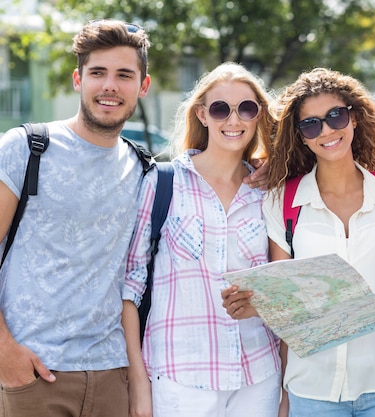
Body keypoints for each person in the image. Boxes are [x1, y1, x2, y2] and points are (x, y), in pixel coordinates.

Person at [222, 67, 375, 417]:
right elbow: (285, 299)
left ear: (355, 118)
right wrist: (255, 305)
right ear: (301, 136)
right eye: (311, 124)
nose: (327, 131)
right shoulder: (281, 203)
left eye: (336, 116)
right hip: (312, 389)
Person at [0, 19, 151, 417]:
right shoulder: (26, 148)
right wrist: (5, 353)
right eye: (97, 73)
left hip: (111, 374)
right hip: (32, 373)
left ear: (143, 86)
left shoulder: (143, 168)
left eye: (124, 75)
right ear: (77, 79)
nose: (109, 86)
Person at [122, 62, 281, 417]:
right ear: (202, 115)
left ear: (258, 116)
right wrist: (138, 382)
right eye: (221, 108)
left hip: (258, 376)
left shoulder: (270, 192)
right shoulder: (162, 183)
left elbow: (285, 283)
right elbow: (129, 289)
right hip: (180, 380)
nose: (234, 120)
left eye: (247, 108)